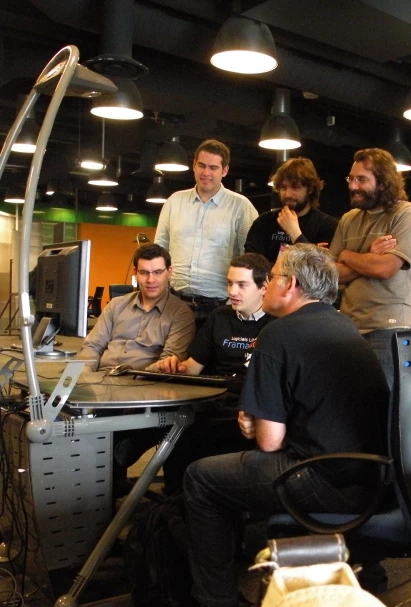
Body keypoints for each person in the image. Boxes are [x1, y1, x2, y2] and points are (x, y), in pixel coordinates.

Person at [183, 244, 388, 607]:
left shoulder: (279, 334)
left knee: (200, 478)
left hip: (320, 481)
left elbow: (269, 441)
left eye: (273, 277)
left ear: (290, 284)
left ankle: (216, 603)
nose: (267, 286)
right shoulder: (344, 324)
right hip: (371, 479)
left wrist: (255, 422)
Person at [151, 253, 276, 493]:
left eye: (242, 284)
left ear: (263, 287)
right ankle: (175, 504)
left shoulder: (276, 323)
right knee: (177, 429)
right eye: (230, 283)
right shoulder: (220, 316)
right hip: (215, 398)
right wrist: (173, 365)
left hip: (248, 404)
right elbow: (192, 368)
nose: (232, 291)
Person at [329, 148, 411, 387]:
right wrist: (368, 256)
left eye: (362, 179)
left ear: (383, 182)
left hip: (388, 329)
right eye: (351, 179)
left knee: (384, 409)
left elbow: (385, 269)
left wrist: (346, 254)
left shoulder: (407, 215)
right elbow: (330, 274)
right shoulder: (348, 219)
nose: (353, 186)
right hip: (349, 328)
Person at [155, 139, 258, 326]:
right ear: (193, 165)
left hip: (220, 307)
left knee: (209, 357)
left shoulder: (241, 207)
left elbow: (250, 261)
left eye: (213, 167)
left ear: (224, 171)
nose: (206, 173)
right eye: (201, 165)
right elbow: (159, 251)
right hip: (175, 303)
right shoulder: (174, 202)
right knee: (171, 356)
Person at [78, 243, 194, 371]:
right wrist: (81, 378)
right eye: (144, 273)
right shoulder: (116, 305)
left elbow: (167, 363)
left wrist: (131, 379)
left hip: (142, 383)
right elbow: (92, 346)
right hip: (99, 379)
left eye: (157, 272)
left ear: (169, 273)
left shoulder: (181, 314)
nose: (151, 280)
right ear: (135, 273)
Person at [244, 157, 337, 263]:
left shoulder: (326, 225)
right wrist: (312, 253)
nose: (288, 194)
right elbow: (252, 265)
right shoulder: (264, 221)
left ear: (310, 189)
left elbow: (320, 272)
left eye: (295, 187)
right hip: (268, 280)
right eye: (283, 187)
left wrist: (295, 233)